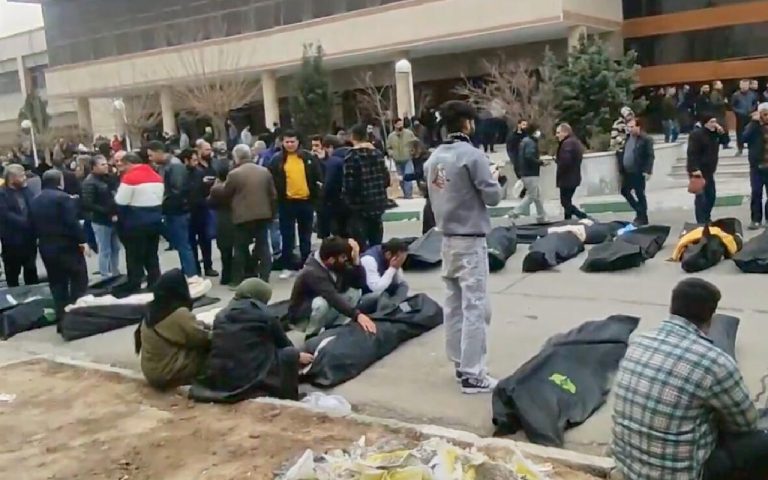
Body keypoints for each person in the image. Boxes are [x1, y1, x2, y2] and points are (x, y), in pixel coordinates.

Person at [612, 278, 768, 480]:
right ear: (711, 317)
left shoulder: (638, 341)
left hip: (628, 467)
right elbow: (745, 424)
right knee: (760, 443)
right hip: (681, 475)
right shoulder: (715, 362)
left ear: (672, 307)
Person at [425, 100, 502, 394]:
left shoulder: (434, 159)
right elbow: (492, 197)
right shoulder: (472, 156)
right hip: (470, 239)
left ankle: (459, 362)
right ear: (468, 123)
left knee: (454, 304)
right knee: (475, 307)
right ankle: (473, 373)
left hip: (446, 238)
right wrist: (496, 179)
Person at [193, 277, 312, 402]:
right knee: (290, 354)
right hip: (249, 377)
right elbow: (284, 344)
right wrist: (298, 356)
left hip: (222, 376)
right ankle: (289, 397)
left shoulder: (221, 315)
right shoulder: (265, 315)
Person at [210, 144, 276, 285]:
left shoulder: (235, 174)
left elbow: (225, 193)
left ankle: (237, 280)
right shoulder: (264, 171)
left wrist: (215, 187)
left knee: (240, 248)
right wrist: (272, 214)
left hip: (243, 216)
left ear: (236, 157)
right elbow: (273, 195)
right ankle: (264, 277)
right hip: (263, 214)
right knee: (263, 246)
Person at [135, 269, 211, 390]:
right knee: (216, 351)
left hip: (151, 371)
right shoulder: (178, 313)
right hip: (167, 374)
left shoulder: (153, 310)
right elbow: (201, 338)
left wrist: (204, 325)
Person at [287, 236, 376, 339]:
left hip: (326, 304)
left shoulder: (336, 262)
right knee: (321, 303)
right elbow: (332, 297)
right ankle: (311, 335)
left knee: (354, 292)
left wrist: (356, 260)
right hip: (303, 315)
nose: (346, 259)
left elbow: (360, 284)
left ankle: (335, 328)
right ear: (331, 260)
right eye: (343, 257)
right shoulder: (312, 272)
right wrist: (357, 315)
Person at [30, 170, 88, 322]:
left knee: (56, 282)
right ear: (59, 181)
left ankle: (61, 316)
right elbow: (71, 222)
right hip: (66, 245)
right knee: (78, 277)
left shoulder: (35, 199)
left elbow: (31, 224)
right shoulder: (63, 198)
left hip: (46, 246)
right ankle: (77, 313)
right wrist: (82, 240)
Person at [268, 130, 322, 279]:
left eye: (293, 141)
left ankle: (306, 264)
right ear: (282, 143)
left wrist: (316, 197)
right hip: (286, 203)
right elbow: (271, 180)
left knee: (306, 235)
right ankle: (288, 265)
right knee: (287, 236)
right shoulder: (277, 160)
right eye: (287, 142)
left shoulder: (308, 158)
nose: (290, 144)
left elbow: (318, 177)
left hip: (306, 202)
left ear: (298, 141)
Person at [114, 152, 163, 294]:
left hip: (135, 223)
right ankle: (155, 284)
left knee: (135, 257)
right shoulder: (156, 176)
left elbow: (120, 201)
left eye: (123, 165)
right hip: (154, 221)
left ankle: (134, 286)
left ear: (129, 163)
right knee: (152, 256)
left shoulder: (130, 178)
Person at [148, 141, 197, 278]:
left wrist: (162, 200)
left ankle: (191, 274)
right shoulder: (164, 166)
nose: (150, 158)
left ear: (159, 151)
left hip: (178, 211)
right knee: (181, 244)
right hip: (171, 210)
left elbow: (178, 190)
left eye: (151, 155)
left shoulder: (174, 166)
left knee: (183, 245)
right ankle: (188, 271)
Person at [343, 124, 391, 250]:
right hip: (377, 203)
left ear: (353, 137)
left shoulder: (351, 156)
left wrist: (348, 201)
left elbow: (349, 183)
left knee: (360, 242)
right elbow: (386, 178)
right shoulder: (378, 154)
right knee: (376, 240)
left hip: (359, 205)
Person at [81, 155, 121, 277]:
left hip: (113, 218)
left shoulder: (107, 178)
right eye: (102, 164)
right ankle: (105, 274)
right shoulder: (90, 182)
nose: (106, 166)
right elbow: (88, 203)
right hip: (101, 220)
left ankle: (115, 271)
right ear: (94, 167)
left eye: (106, 164)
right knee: (105, 249)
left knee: (116, 247)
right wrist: (106, 211)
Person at [0, 164, 39, 287]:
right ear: (11, 178)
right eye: (21, 176)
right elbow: (5, 214)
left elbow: (33, 205)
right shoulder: (2, 194)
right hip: (12, 240)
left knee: (31, 269)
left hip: (29, 239)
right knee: (12, 272)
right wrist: (25, 222)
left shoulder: (26, 191)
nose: (24, 179)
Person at [183, 148, 218, 277]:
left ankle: (208, 266)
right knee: (191, 242)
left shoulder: (200, 172)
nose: (196, 162)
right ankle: (195, 268)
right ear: (186, 160)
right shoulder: (183, 174)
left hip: (202, 209)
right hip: (188, 211)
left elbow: (205, 190)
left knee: (205, 240)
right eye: (193, 160)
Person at [687, 116, 726, 224]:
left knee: (711, 196)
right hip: (698, 170)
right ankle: (701, 221)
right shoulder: (697, 135)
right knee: (701, 197)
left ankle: (707, 216)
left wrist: (722, 132)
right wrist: (695, 168)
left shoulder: (715, 134)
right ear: (705, 123)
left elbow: (725, 141)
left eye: (715, 121)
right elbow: (692, 153)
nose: (714, 124)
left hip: (709, 171)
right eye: (711, 122)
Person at [619, 118, 654, 226]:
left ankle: (642, 216)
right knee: (625, 191)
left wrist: (647, 171)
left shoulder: (645, 139)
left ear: (638, 127)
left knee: (640, 194)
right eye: (628, 127)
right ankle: (640, 211)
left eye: (632, 127)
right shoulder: (628, 138)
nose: (629, 129)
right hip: (627, 171)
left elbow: (650, 156)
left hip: (638, 171)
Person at [206, 158, 235, 286]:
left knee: (225, 249)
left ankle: (226, 275)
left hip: (222, 219)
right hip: (236, 216)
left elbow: (209, 203)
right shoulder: (235, 185)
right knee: (238, 248)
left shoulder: (216, 189)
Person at [510, 124, 546, 222]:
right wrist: (540, 162)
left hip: (526, 172)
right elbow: (529, 156)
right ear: (534, 132)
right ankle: (515, 212)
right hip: (531, 173)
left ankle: (541, 216)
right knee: (532, 195)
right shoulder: (531, 143)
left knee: (537, 195)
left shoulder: (525, 141)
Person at [554, 123, 588, 220]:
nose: (557, 135)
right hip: (572, 177)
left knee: (565, 202)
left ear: (565, 132)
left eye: (558, 133)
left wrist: (559, 165)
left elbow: (566, 161)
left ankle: (582, 216)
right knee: (567, 201)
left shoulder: (567, 143)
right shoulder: (573, 142)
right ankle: (567, 220)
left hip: (567, 178)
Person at [743, 103, 768, 230]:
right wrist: (753, 123)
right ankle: (756, 219)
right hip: (757, 167)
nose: (766, 116)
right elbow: (743, 138)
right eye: (764, 114)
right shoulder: (753, 127)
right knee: (756, 193)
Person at [387, 118, 418, 199]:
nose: (400, 126)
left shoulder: (409, 133)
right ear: (395, 125)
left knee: (408, 176)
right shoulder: (391, 136)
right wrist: (391, 153)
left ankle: (409, 195)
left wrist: (413, 151)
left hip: (407, 158)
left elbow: (415, 142)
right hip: (397, 160)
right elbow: (388, 147)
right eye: (398, 124)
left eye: (401, 124)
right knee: (401, 178)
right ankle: (405, 193)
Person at [410, 139, 435, 233]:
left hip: (431, 190)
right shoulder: (416, 159)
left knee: (430, 217)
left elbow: (421, 173)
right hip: (427, 190)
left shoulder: (425, 158)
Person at [731, 79, 759, 156]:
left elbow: (755, 104)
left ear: (748, 85)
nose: (744, 86)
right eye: (743, 85)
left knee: (752, 132)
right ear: (740, 85)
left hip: (750, 116)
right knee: (740, 133)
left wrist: (753, 111)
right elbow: (732, 106)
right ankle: (740, 148)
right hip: (740, 117)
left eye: (746, 85)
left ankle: (752, 148)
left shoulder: (753, 94)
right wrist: (739, 112)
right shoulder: (736, 95)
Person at [505, 119, 528, 198]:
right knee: (521, 177)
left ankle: (523, 192)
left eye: (526, 125)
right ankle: (521, 193)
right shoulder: (513, 136)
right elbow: (510, 148)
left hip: (525, 159)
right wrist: (514, 159)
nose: (525, 127)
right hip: (517, 159)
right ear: (519, 125)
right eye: (523, 124)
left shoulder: (526, 135)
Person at [711, 81, 729, 148]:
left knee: (723, 128)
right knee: (722, 128)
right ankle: (723, 143)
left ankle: (725, 143)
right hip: (718, 114)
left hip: (721, 113)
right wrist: (723, 102)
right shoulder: (714, 93)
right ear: (715, 86)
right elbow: (714, 103)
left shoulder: (719, 93)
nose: (721, 85)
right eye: (720, 84)